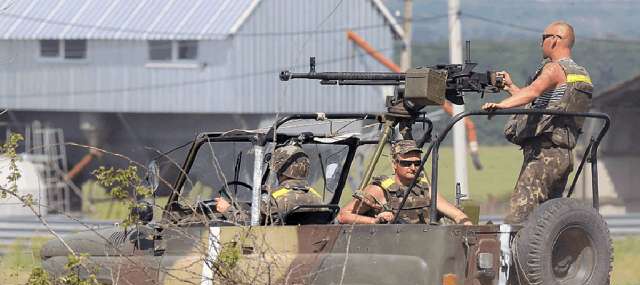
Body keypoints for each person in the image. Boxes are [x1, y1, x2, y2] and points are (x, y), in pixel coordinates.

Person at [482, 21, 593, 223]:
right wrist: (511, 87)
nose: (541, 43)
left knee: (519, 216)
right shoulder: (579, 74)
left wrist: (502, 105)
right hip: (563, 154)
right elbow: (542, 106)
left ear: (554, 40)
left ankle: (509, 253)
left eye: (543, 38)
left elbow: (532, 92)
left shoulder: (553, 69)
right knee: (546, 219)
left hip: (544, 154)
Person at [337, 139, 472, 225]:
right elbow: (343, 216)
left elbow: (458, 215)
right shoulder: (379, 190)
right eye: (407, 163)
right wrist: (374, 221)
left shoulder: (425, 189)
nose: (413, 168)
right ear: (394, 164)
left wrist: (467, 226)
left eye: (417, 163)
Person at [213, 142, 323, 223]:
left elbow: (249, 223)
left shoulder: (275, 199)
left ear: (281, 169)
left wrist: (227, 209)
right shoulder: (317, 198)